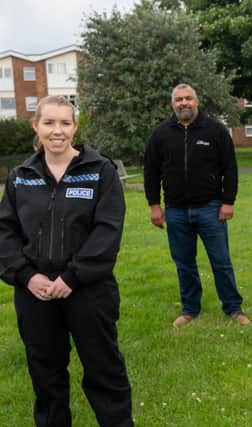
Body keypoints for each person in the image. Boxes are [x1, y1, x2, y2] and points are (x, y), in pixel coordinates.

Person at [0, 96, 133, 426]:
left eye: (64, 123)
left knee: (104, 370)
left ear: (75, 127)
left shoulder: (99, 172)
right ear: (36, 126)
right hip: (36, 293)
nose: (57, 131)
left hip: (89, 291)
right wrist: (27, 276)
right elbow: (5, 232)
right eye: (49, 123)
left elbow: (107, 231)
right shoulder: (20, 177)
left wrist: (72, 277)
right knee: (46, 374)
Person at [144, 83, 250, 328]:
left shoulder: (215, 130)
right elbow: (151, 172)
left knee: (221, 261)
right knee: (184, 263)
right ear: (172, 104)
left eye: (188, 98)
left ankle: (233, 308)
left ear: (197, 101)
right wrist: (154, 206)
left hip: (211, 208)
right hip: (176, 211)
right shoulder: (161, 134)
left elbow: (230, 169)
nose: (184, 103)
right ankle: (190, 309)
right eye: (179, 99)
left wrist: (228, 202)